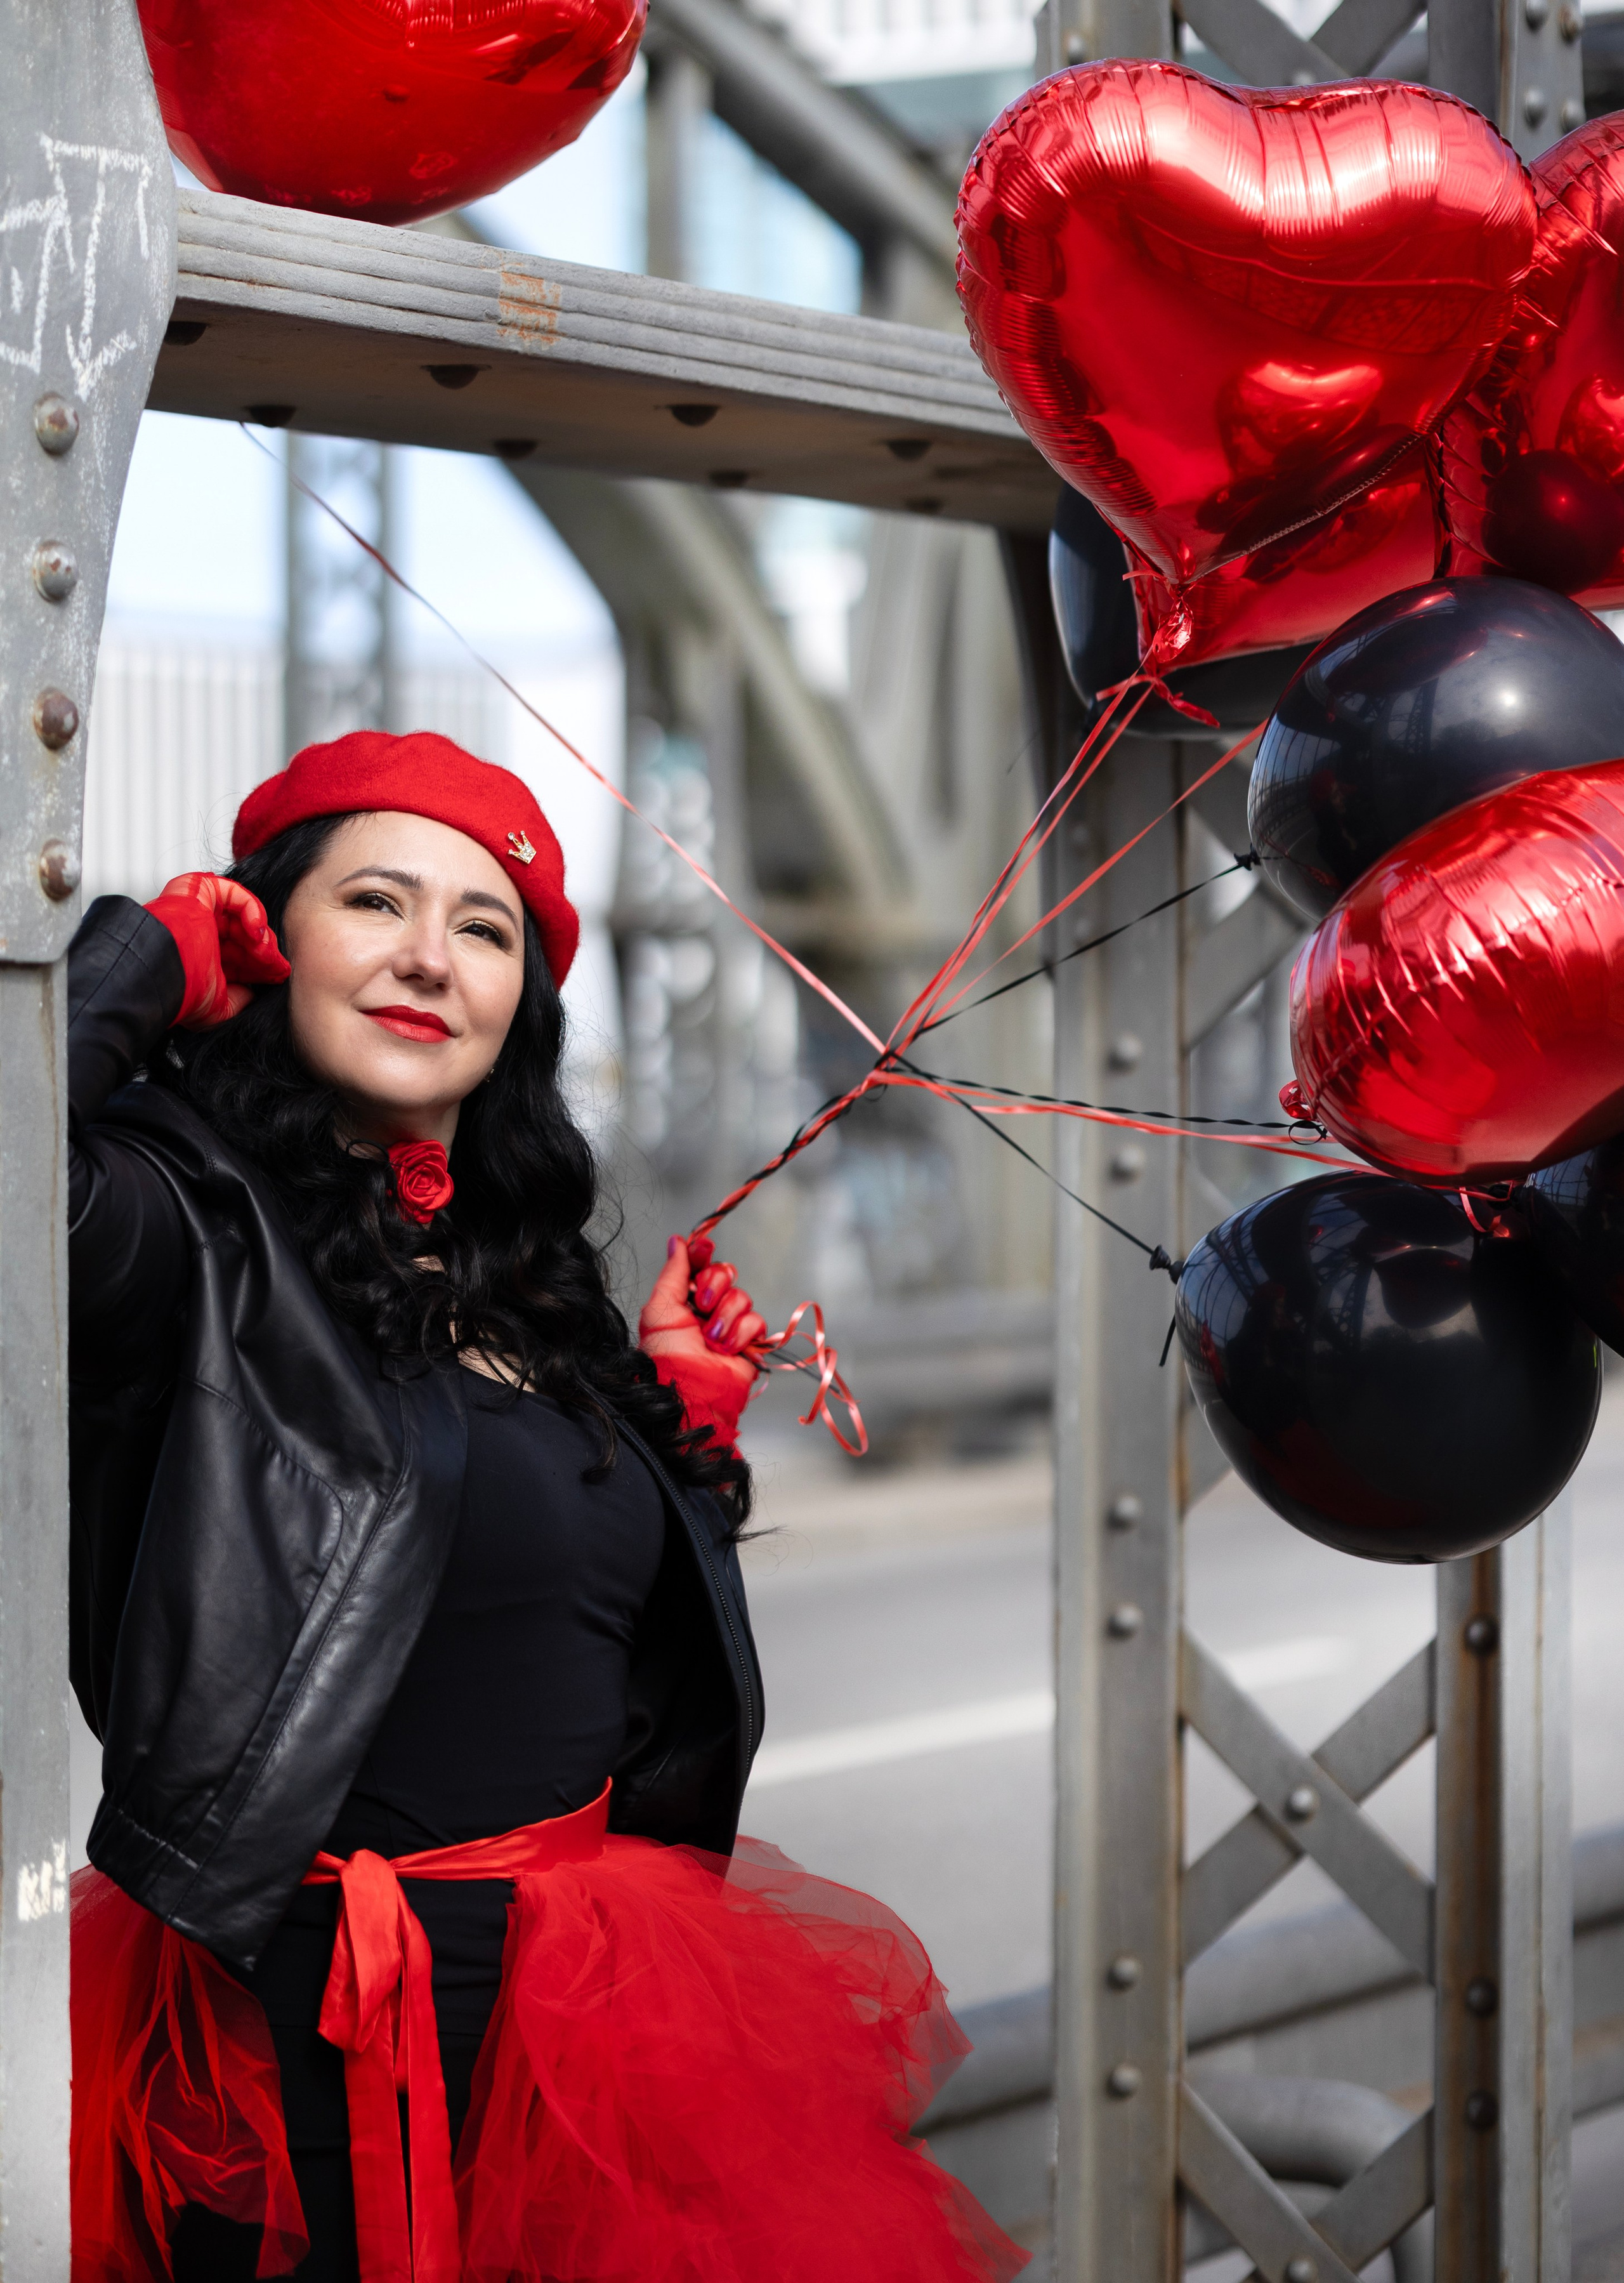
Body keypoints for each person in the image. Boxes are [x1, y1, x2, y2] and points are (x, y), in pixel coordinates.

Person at [67, 730, 1026, 2283]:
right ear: (266, 936)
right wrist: (138, 962)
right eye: (374, 901)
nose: (429, 956)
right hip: (292, 2039)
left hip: (581, 2044)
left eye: (485, 927)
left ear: (520, 1000)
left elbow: (529, 1626)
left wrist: (675, 1433)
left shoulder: (525, 1279)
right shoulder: (180, 1224)